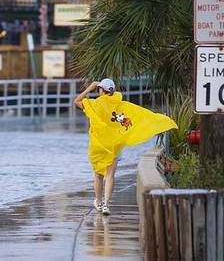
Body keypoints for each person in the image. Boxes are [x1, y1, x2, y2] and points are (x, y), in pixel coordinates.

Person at [74, 78, 177, 215]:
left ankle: (98, 202)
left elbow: (76, 101)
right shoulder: (122, 105)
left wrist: (89, 89)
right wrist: (159, 120)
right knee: (110, 175)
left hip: (99, 145)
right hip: (116, 144)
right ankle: (106, 205)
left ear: (101, 90)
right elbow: (140, 115)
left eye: (99, 89)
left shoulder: (95, 104)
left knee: (98, 174)